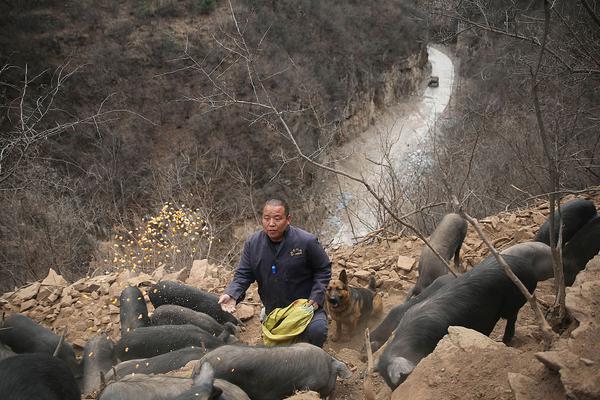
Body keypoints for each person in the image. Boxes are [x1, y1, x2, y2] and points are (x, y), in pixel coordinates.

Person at [218, 198, 332, 347]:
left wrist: (316, 296)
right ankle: (267, 316)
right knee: (278, 350)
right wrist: (232, 294)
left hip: (306, 308)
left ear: (288, 219)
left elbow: (323, 269)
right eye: (267, 218)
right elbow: (243, 275)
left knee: (317, 332)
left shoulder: (306, 241)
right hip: (275, 311)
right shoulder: (253, 244)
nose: (271, 224)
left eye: (277, 218)